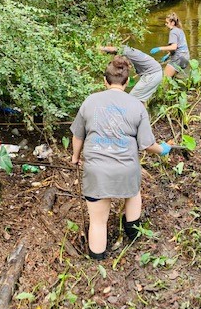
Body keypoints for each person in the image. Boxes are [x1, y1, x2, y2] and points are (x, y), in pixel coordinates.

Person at [70, 56, 171, 260]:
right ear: (127, 82)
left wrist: (75, 157)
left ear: (105, 81)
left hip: (97, 171)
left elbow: (77, 135)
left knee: (98, 221)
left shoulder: (90, 101)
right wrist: (163, 149)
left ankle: (96, 263)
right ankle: (133, 237)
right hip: (126, 169)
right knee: (133, 193)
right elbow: (146, 144)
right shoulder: (137, 106)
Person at [149, 12, 190, 78]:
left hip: (178, 59)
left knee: (163, 80)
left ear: (172, 23)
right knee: (173, 79)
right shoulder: (180, 30)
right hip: (185, 58)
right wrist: (168, 55)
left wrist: (159, 48)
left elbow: (174, 47)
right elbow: (180, 47)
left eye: (167, 23)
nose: (166, 24)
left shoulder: (173, 32)